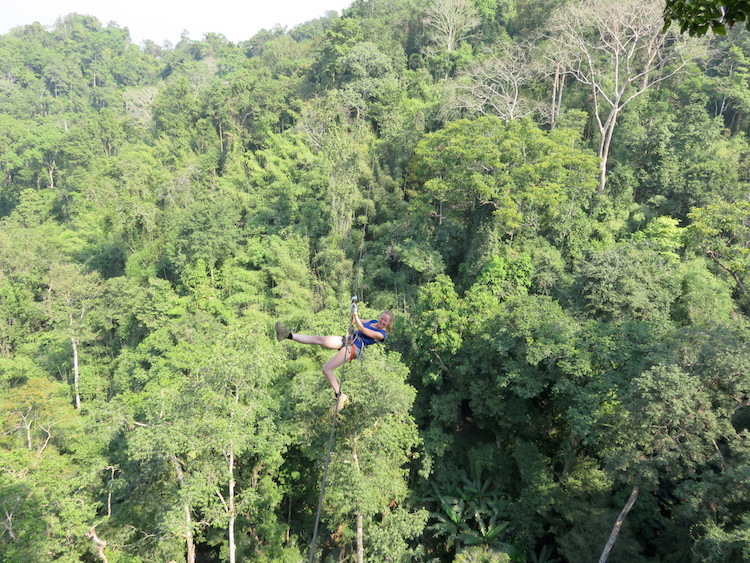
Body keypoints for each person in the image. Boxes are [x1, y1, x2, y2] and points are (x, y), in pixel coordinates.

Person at [275, 308, 393, 411]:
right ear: (379, 317)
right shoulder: (372, 322)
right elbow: (354, 321)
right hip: (348, 340)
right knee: (319, 339)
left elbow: (361, 329)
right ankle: (287, 335)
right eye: (382, 318)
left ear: (388, 324)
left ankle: (340, 395)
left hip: (353, 348)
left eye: (385, 321)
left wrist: (356, 314)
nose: (382, 322)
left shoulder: (381, 334)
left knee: (326, 369)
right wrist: (353, 311)